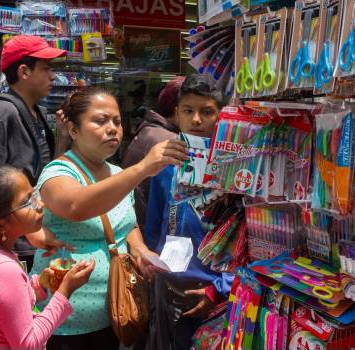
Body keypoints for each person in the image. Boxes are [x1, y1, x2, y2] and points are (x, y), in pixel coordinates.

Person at [31, 87, 189, 350]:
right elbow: (76, 205)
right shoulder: (58, 172)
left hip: (116, 312)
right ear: (73, 130)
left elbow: (127, 225)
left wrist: (141, 251)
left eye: (116, 121)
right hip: (64, 321)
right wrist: (141, 169)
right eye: (100, 120)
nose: (112, 128)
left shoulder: (117, 173)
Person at [144, 74, 233, 350]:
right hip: (170, 290)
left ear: (221, 116)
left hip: (216, 295)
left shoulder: (234, 172)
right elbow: (154, 231)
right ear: (176, 115)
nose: (196, 120)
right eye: (188, 111)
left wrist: (220, 288)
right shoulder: (162, 167)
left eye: (206, 112)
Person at [0, 166, 96, 350]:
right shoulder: (4, 269)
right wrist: (65, 291)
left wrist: (39, 285)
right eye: (28, 202)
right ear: (0, 226)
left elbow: (3, 311)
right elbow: (28, 344)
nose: (39, 204)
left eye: (35, 195)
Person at [0, 35, 67, 181]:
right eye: (46, 69)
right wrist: (16, 195)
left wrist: (63, 137)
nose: (53, 76)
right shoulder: (2, 113)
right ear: (24, 72)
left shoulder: (34, 111)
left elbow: (45, 175)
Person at [122, 76, 183, 236]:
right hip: (146, 230)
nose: (197, 120)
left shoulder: (150, 129)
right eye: (189, 110)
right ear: (177, 111)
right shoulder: (170, 141)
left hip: (138, 225)